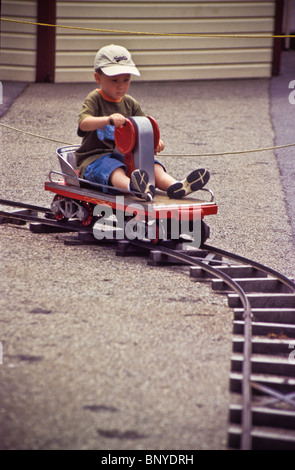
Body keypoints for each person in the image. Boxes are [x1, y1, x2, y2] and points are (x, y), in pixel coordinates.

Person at [75, 44, 210, 200]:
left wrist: (155, 141)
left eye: (126, 80)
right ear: (98, 78)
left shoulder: (130, 102)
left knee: (152, 165)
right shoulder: (95, 99)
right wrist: (108, 119)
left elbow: (145, 127)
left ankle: (176, 186)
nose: (121, 85)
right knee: (112, 169)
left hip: (126, 157)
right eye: (114, 80)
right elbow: (84, 123)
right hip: (95, 158)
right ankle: (132, 187)